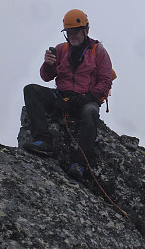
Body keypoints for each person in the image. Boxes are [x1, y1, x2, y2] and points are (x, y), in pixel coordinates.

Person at [23, 9, 113, 180]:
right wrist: (48, 64)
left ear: (86, 30)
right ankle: (44, 141)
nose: (71, 35)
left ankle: (79, 163)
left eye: (75, 31)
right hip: (62, 97)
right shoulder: (60, 49)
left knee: (91, 111)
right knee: (31, 90)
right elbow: (47, 77)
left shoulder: (98, 51)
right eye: (68, 32)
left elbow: (105, 81)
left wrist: (88, 98)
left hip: (86, 99)